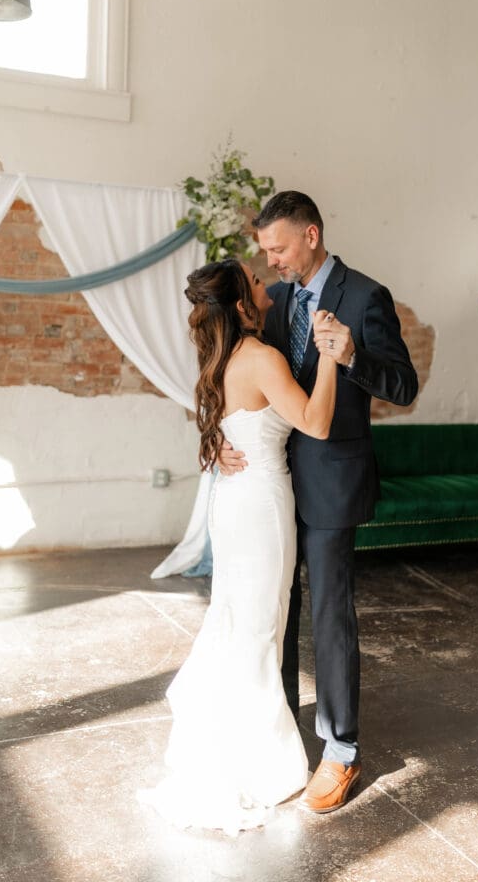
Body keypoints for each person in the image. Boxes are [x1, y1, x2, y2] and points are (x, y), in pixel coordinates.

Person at [220, 191, 418, 814]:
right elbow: (228, 376)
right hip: (270, 484)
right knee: (275, 609)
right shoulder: (271, 301)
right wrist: (216, 442)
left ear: (310, 235)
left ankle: (341, 752)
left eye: (278, 248)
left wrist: (352, 354)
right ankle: (278, 732)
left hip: (332, 483)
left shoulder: (366, 297)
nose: (272, 260)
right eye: (266, 251)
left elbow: (405, 386)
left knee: (331, 615)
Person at [139, 258, 338, 835]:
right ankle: (254, 763)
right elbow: (317, 423)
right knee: (258, 628)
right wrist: (328, 355)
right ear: (242, 303)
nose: (268, 288)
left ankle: (240, 745)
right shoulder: (264, 359)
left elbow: (220, 426)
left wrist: (218, 445)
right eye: (257, 282)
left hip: (233, 502)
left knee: (240, 621)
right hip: (261, 508)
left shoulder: (219, 358)